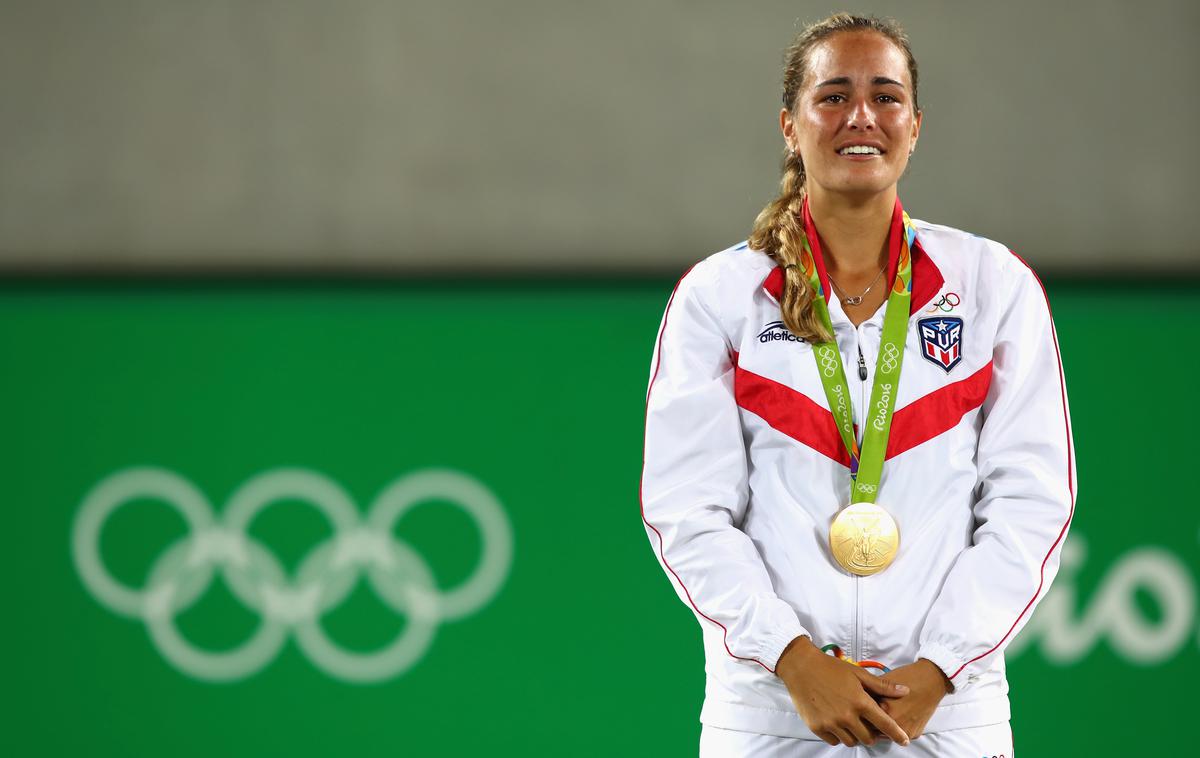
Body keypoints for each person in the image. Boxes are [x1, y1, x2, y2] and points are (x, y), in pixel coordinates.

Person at [639, 12, 1075, 757]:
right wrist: (793, 661)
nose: (861, 116)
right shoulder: (721, 297)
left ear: (916, 125)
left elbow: (1032, 504)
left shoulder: (991, 285)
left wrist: (941, 669)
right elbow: (688, 511)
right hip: (772, 714)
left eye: (886, 96)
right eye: (833, 95)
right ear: (790, 123)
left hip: (948, 715)